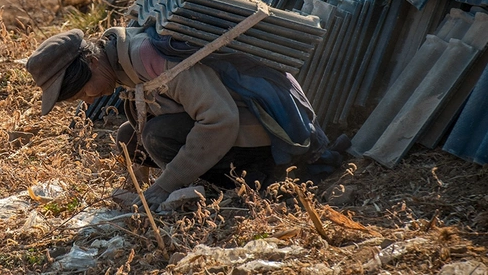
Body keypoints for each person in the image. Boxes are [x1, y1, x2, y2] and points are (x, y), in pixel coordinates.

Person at [26, 26, 344, 210]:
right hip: (236, 126)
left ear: (92, 62)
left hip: (264, 130)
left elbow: (219, 119)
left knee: (157, 136)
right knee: (128, 138)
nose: (89, 100)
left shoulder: (147, 57)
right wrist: (137, 188)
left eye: (84, 91)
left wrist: (165, 185)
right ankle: (200, 183)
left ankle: (262, 179)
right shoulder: (119, 60)